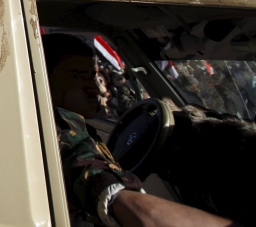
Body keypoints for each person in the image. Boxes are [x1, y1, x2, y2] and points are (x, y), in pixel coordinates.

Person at [43, 33, 233, 226]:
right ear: (44, 78)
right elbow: (89, 170)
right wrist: (120, 196)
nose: (94, 88)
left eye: (92, 76)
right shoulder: (57, 127)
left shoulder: (75, 125)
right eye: (76, 76)